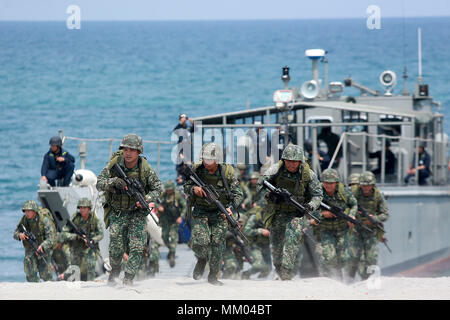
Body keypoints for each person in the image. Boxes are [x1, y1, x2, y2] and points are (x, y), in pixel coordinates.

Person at [96, 133, 162, 286]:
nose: (128, 153)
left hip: (137, 214)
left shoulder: (145, 168)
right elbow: (99, 183)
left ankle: (128, 278)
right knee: (115, 249)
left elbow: (158, 188)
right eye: (125, 149)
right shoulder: (115, 164)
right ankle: (115, 271)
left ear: (139, 152)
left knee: (138, 247)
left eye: (132, 150)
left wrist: (145, 199)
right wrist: (114, 181)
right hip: (118, 212)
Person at [259, 144, 323, 280]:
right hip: (277, 212)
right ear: (284, 160)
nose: (291, 164)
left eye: (295, 161)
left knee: (292, 239)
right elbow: (260, 185)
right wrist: (270, 194)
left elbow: (318, 195)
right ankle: (279, 269)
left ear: (300, 161)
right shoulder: (275, 169)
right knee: (276, 245)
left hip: (297, 213)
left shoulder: (308, 174)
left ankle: (287, 271)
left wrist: (310, 206)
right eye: (289, 161)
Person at [184, 143, 243, 285]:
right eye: (204, 159)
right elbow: (186, 186)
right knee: (199, 241)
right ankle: (202, 259)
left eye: (209, 160)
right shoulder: (197, 170)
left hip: (220, 212)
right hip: (201, 211)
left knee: (218, 246)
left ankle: (213, 277)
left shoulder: (227, 172)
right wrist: (194, 190)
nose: (206, 162)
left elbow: (238, 194)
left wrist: (230, 208)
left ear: (217, 160)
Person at [311, 169, 357, 280]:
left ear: (336, 183)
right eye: (325, 182)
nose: (328, 185)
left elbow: (354, 204)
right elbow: (309, 209)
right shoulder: (317, 193)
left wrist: (351, 215)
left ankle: (338, 272)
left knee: (344, 258)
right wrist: (323, 214)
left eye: (331, 183)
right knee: (329, 256)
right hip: (326, 230)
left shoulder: (344, 192)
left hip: (342, 229)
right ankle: (331, 277)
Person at [349, 171, 389, 280]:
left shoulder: (378, 196)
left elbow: (385, 214)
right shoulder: (354, 193)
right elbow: (347, 206)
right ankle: (352, 276)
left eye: (368, 185)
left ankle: (367, 278)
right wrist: (352, 215)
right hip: (356, 229)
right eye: (363, 185)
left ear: (373, 185)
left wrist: (373, 219)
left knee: (371, 258)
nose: (366, 188)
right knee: (354, 256)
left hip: (371, 230)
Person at [59, 198, 104, 281]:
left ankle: (90, 283)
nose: (82, 210)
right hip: (76, 247)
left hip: (88, 247)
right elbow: (64, 233)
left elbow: (101, 234)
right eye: (80, 208)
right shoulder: (75, 218)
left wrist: (92, 240)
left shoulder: (94, 219)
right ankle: (73, 283)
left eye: (84, 208)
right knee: (74, 268)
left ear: (89, 208)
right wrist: (76, 237)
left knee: (91, 263)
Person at [13, 200, 56, 282]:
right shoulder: (24, 220)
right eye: (25, 211)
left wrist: (42, 246)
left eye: (29, 211)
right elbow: (15, 233)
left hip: (44, 249)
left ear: (34, 211)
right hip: (31, 248)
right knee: (30, 273)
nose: (27, 213)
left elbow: (51, 238)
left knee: (46, 275)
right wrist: (20, 235)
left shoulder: (44, 220)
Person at [158, 180, 186, 268]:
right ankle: (171, 249)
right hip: (165, 219)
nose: (168, 191)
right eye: (167, 189)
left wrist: (181, 217)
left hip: (174, 219)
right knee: (164, 237)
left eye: (170, 189)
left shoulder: (177, 195)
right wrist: (159, 206)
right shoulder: (163, 195)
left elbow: (184, 206)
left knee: (174, 237)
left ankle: (172, 255)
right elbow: (155, 201)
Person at [241, 200, 272, 279]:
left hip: (265, 244)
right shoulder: (256, 216)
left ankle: (261, 284)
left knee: (268, 269)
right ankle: (246, 274)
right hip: (254, 244)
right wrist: (261, 231)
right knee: (259, 265)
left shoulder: (272, 217)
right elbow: (247, 230)